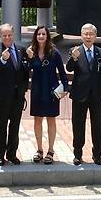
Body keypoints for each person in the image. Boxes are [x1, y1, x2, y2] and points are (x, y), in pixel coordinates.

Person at [66, 23, 101, 166]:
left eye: (91, 34)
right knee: (78, 125)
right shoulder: (75, 51)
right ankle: (78, 154)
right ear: (81, 35)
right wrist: (73, 58)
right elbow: (69, 68)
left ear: (95, 36)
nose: (88, 36)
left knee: (97, 125)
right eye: (86, 34)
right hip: (79, 94)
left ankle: (97, 155)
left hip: (97, 95)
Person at [0, 23, 30, 166]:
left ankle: (12, 154)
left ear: (13, 35)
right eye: (4, 35)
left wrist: (23, 89)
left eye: (9, 35)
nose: (7, 37)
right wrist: (3, 59)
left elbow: (25, 71)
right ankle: (0, 155)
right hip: (2, 96)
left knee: (15, 125)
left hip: (18, 95)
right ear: (1, 36)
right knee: (2, 126)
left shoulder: (21, 50)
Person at [28, 25, 69, 165]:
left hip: (51, 91)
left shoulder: (54, 52)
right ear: (35, 36)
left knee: (51, 120)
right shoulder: (31, 51)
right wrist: (28, 59)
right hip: (37, 91)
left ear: (47, 36)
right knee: (37, 120)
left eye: (43, 34)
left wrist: (65, 88)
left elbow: (62, 72)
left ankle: (50, 151)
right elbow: (25, 70)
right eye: (38, 34)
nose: (40, 36)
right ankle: (39, 150)